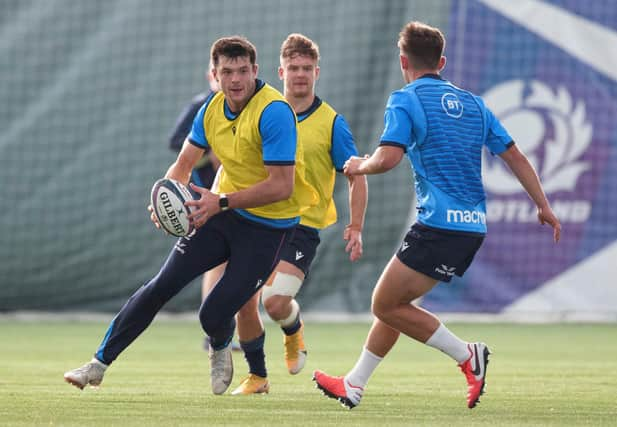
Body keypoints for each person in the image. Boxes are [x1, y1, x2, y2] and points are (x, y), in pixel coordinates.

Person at [312, 21, 561, 410]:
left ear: (402, 61)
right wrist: (542, 205)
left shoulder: (405, 99)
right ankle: (354, 384)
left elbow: (388, 159)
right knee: (396, 306)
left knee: (384, 304)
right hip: (471, 228)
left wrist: (357, 166)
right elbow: (515, 155)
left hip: (438, 226)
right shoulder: (476, 104)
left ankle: (468, 356)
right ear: (441, 61)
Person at [63, 35, 317, 396]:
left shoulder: (274, 111)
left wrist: (221, 201)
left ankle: (220, 348)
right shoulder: (210, 109)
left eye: (243, 70)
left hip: (269, 227)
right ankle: (98, 364)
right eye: (227, 71)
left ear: (255, 71)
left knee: (212, 315)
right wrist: (165, 199)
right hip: (223, 214)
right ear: (214, 74)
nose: (235, 80)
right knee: (159, 287)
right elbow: (182, 166)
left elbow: (281, 187)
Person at [228, 33, 368, 395]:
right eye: (293, 68)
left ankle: (292, 328)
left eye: (307, 68)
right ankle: (257, 377)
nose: (300, 74)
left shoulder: (331, 122)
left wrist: (355, 225)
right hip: (259, 221)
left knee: (273, 302)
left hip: (302, 227)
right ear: (280, 71)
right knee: (243, 300)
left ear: (317, 72)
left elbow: (355, 175)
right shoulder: (263, 111)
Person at [167, 62, 240, 353]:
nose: (227, 78)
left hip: (236, 196)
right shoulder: (201, 106)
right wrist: (209, 152)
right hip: (206, 197)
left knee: (235, 264)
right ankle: (214, 333)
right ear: (212, 75)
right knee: (217, 263)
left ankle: (221, 330)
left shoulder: (245, 107)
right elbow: (176, 144)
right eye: (219, 72)